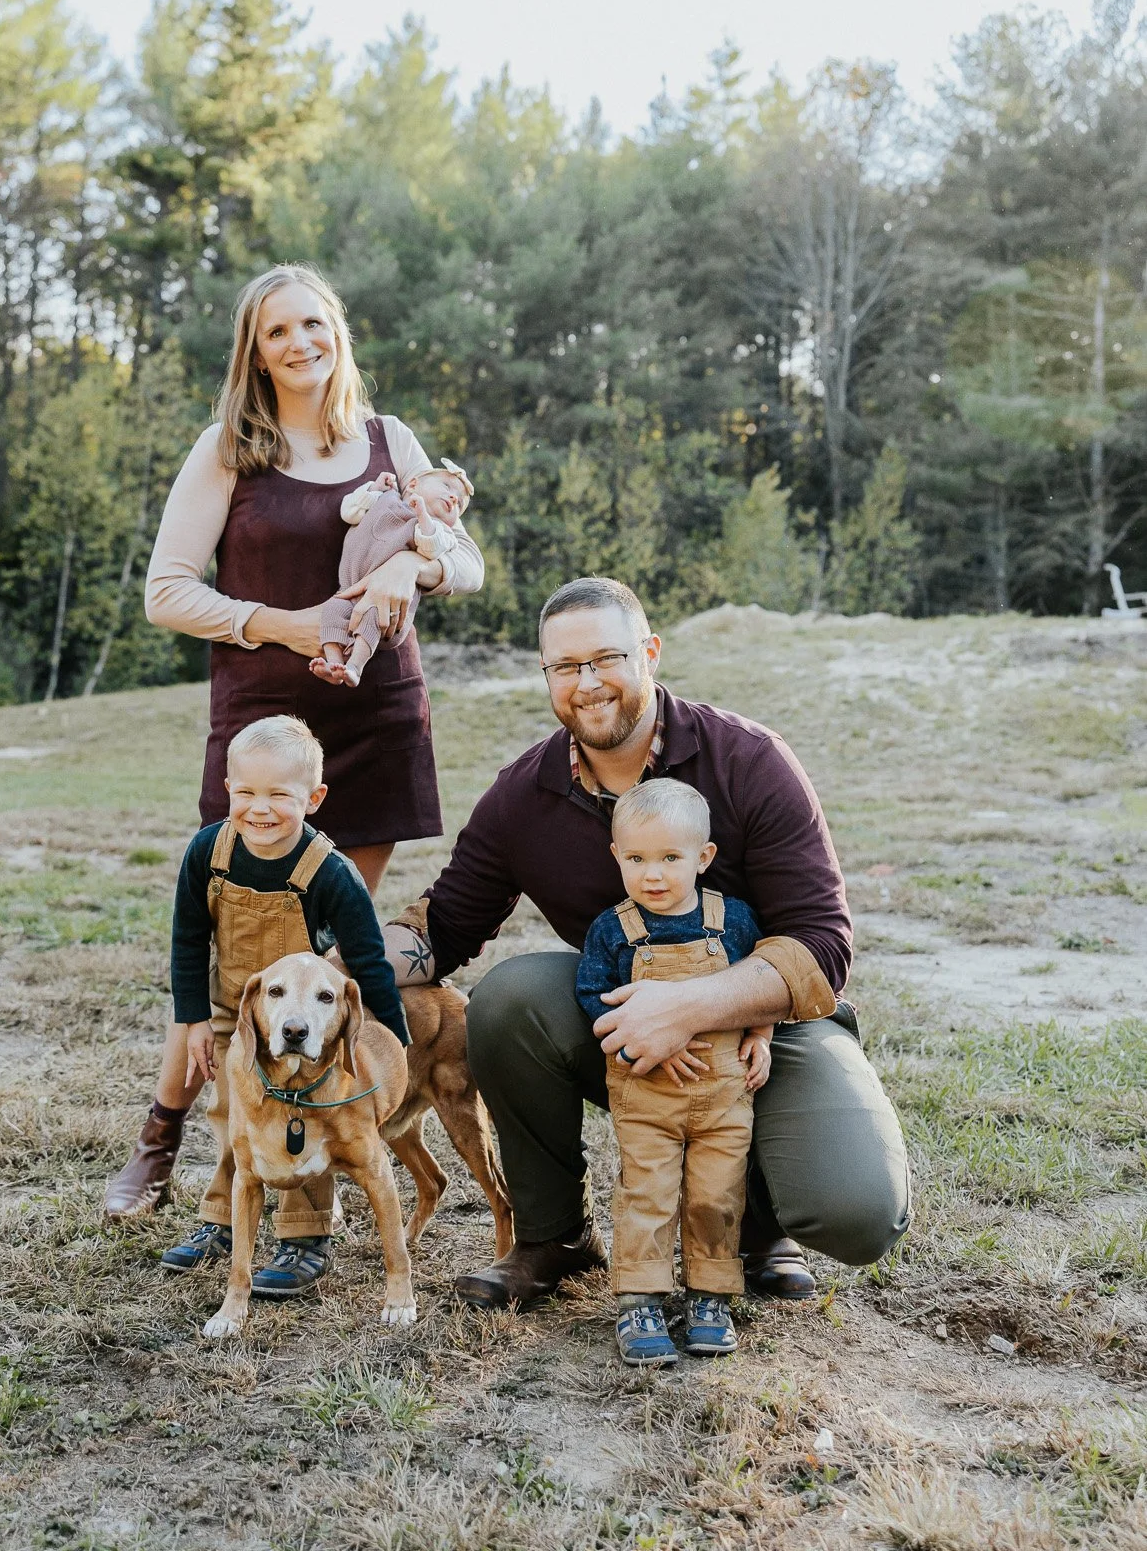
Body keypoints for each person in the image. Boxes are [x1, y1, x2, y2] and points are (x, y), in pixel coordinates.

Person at [377, 575, 911, 1309]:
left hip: (767, 1032)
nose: (587, 684)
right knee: (509, 997)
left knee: (857, 1214)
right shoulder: (522, 794)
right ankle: (553, 1238)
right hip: (621, 1030)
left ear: (649, 653)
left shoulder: (750, 760)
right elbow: (443, 927)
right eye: (565, 667)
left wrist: (690, 1005)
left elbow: (823, 944)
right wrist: (333, 961)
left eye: (606, 659)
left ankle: (755, 1227)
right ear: (546, 676)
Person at [102, 262, 484, 1283]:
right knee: (242, 969)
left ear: (338, 332)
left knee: (315, 969)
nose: (301, 342)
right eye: (279, 330)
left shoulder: (390, 439)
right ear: (255, 348)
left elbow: (465, 556)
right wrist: (281, 622)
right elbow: (166, 591)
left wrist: (416, 564)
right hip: (266, 736)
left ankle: (300, 1219)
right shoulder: (230, 447)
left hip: (373, 721)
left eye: (314, 323)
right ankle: (173, 1142)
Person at [160, 714, 409, 1286]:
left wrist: (399, 1040)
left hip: (307, 1019)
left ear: (314, 798)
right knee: (233, 1114)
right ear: (228, 790)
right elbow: (187, 939)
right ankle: (222, 1219)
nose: (260, 808)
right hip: (238, 1009)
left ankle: (305, 1235)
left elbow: (368, 960)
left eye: (279, 794)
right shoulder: (208, 851)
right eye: (246, 792)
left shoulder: (331, 873)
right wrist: (194, 1019)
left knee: (309, 1112)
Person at [575, 777, 772, 1364]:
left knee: (716, 1195)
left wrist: (761, 1035)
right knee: (647, 1193)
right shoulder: (614, 930)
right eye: (636, 859)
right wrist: (643, 1047)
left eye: (669, 858)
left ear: (703, 858)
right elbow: (593, 998)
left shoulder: (732, 922)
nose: (652, 875)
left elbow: (763, 989)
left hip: (723, 1096)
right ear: (616, 856)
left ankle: (710, 1293)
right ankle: (641, 1297)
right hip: (648, 1093)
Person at [312, 458, 474, 687]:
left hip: (386, 602)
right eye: (447, 487)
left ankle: (355, 667)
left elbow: (431, 547)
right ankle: (334, 663)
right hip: (347, 589)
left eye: (460, 505)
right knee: (332, 610)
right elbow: (349, 512)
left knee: (372, 614)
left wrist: (423, 516)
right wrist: (374, 488)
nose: (453, 498)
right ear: (413, 484)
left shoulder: (439, 531)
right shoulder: (384, 497)